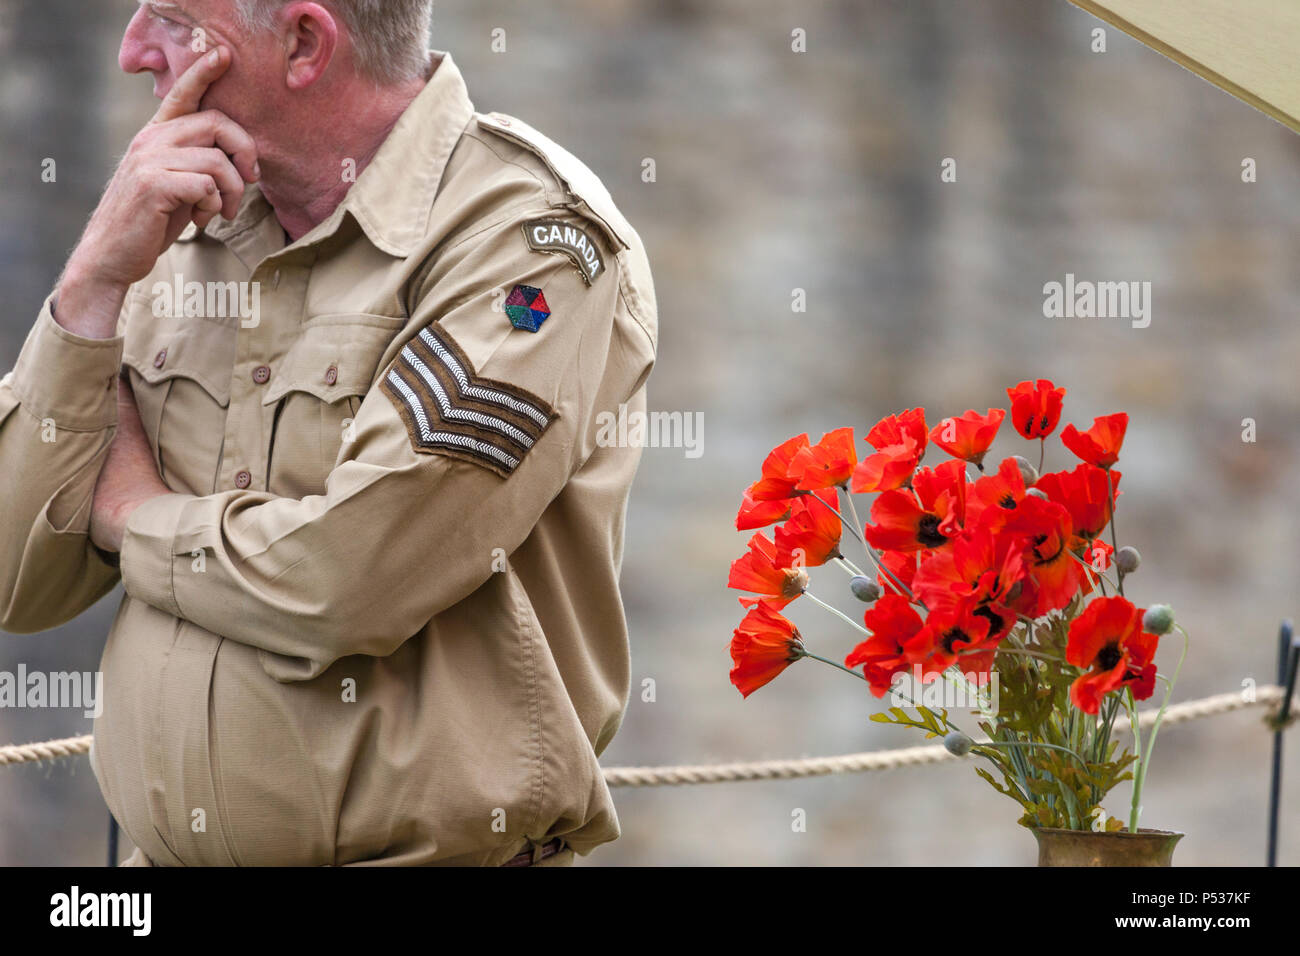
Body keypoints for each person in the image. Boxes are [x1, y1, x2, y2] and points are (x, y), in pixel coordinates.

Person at [0, 0, 657, 866]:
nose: (131, 51)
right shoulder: (172, 220)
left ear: (305, 43)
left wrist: (131, 514)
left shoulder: (529, 243)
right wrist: (90, 284)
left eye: (170, 16)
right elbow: (18, 584)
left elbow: (350, 578)